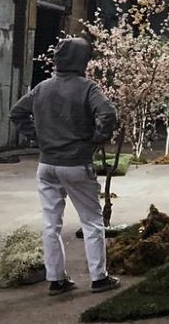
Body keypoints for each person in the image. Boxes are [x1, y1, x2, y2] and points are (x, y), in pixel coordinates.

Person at [9, 37, 121, 296]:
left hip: (47, 165)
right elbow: (108, 113)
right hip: (76, 164)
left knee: (51, 224)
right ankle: (99, 278)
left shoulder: (42, 88)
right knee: (92, 222)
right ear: (82, 60)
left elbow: (17, 113)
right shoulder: (87, 88)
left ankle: (56, 280)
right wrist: (97, 138)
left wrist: (38, 137)